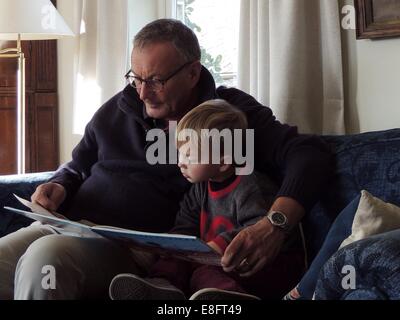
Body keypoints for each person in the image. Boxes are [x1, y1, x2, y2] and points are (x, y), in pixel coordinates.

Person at [0, 19, 332, 300]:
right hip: (67, 225)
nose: (142, 93)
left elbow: (309, 154)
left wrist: (275, 223)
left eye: (156, 80)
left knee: (44, 261)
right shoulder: (118, 108)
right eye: (136, 77)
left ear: (192, 73)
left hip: (129, 250)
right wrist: (60, 183)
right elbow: (78, 163)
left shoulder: (226, 117)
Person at [109, 99, 306, 300]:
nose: (180, 163)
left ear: (223, 161)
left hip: (267, 265)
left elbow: (258, 231)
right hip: (220, 260)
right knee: (176, 259)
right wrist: (168, 247)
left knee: (205, 272)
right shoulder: (199, 189)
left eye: (189, 156)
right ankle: (162, 287)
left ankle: (227, 296)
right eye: (180, 154)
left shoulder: (249, 185)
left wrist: (218, 245)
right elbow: (185, 227)